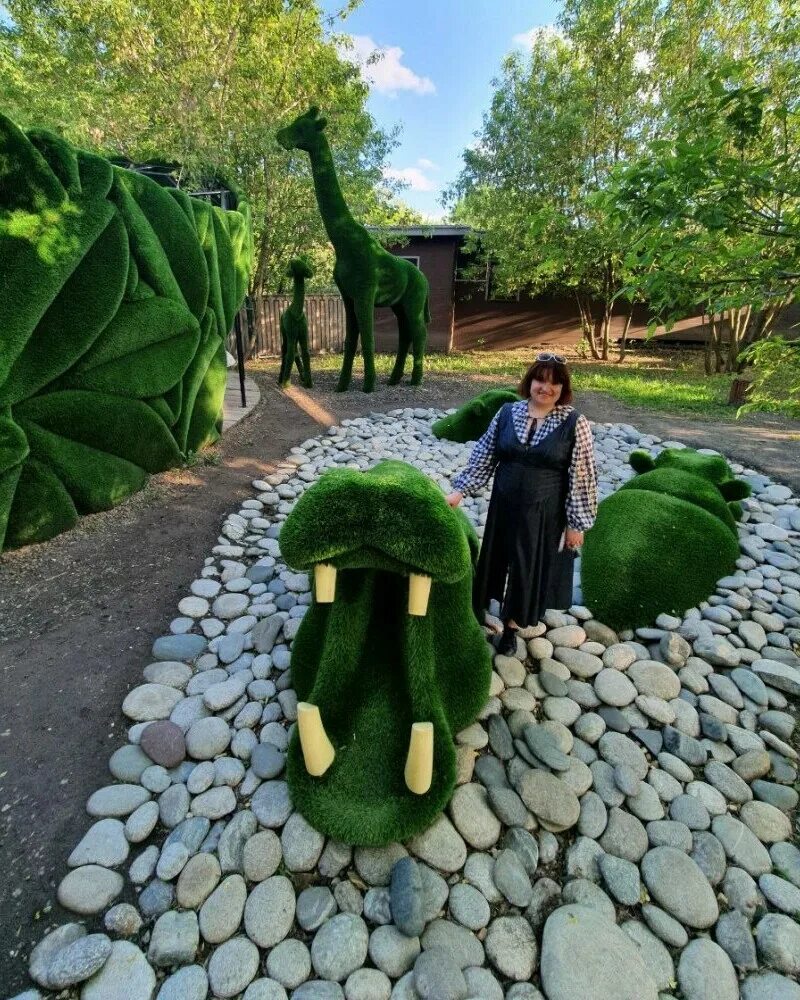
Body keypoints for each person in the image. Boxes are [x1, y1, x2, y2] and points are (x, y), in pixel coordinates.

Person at [446, 353, 597, 655]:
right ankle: (482, 610)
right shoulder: (506, 413)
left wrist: (576, 524)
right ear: (530, 382)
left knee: (527, 565)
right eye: (540, 379)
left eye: (555, 383)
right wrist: (460, 491)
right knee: (497, 558)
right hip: (503, 504)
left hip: (544, 511)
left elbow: (583, 474)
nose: (546, 387)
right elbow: (485, 455)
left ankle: (511, 628)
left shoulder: (574, 423)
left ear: (563, 388)